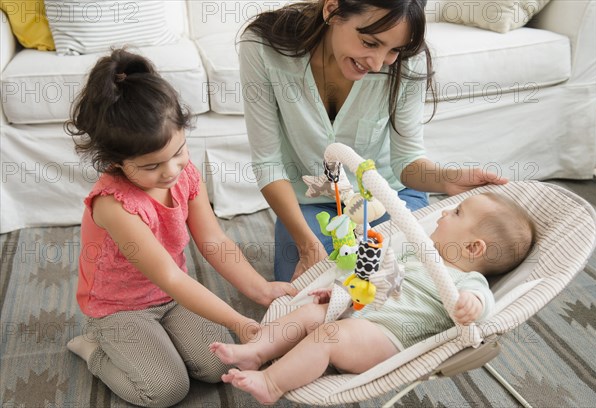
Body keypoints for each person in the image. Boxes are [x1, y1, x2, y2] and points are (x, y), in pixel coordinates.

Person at [64, 48, 296, 408]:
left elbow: (213, 240)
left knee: (218, 361)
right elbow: (170, 276)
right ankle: (94, 348)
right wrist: (238, 321)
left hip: (171, 298)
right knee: (165, 390)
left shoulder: (185, 175)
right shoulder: (114, 205)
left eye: (179, 151)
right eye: (152, 165)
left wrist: (263, 290)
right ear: (116, 162)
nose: (171, 170)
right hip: (119, 308)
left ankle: (161, 340)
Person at [239, 0, 509, 282]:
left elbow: (407, 161)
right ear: (332, 10)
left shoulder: (408, 59)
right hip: (310, 204)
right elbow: (268, 163)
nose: (379, 63)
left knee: (409, 277)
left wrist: (446, 179)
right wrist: (307, 245)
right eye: (370, 43)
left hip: (388, 197)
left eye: (393, 50)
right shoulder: (262, 47)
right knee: (305, 288)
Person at [210, 192, 536, 405]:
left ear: (473, 247)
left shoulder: (467, 280)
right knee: (313, 311)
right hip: (363, 314)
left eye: (457, 213)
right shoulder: (413, 255)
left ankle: (271, 383)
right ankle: (256, 350)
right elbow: (374, 280)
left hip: (389, 338)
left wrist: (472, 304)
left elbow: (483, 306)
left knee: (329, 335)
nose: (444, 212)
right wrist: (345, 293)